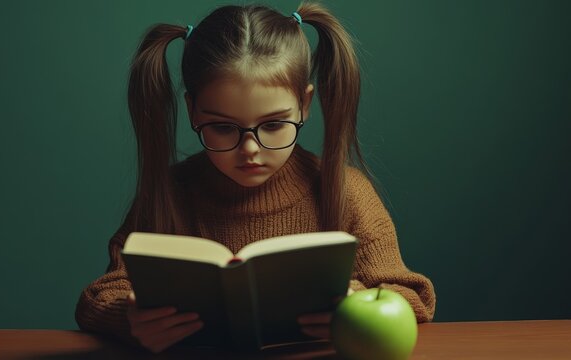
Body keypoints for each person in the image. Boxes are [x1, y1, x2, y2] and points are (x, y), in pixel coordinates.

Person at [75, 1, 436, 354]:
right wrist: (130, 317)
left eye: (274, 124)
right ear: (192, 112)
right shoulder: (169, 194)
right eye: (222, 127)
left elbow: (412, 294)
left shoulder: (346, 190)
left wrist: (353, 304)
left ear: (304, 105)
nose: (250, 149)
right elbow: (99, 297)